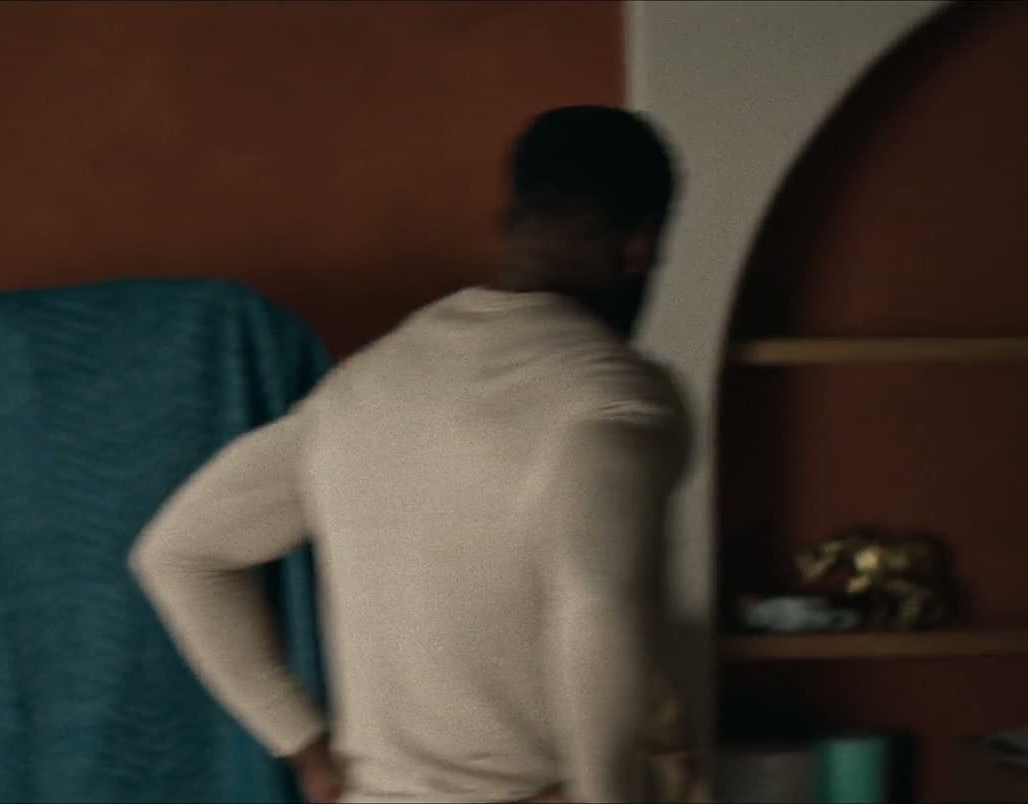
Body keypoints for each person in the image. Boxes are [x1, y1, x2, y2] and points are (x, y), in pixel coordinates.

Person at [130, 106, 691, 804]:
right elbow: (596, 603)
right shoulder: (612, 399)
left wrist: (302, 743)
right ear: (640, 245)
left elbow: (179, 553)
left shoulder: (361, 389)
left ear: (512, 220)